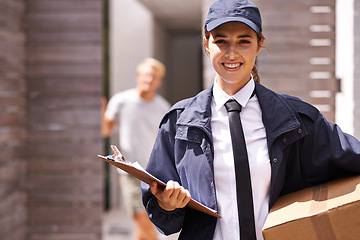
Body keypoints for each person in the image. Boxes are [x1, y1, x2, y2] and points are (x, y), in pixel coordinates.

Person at [141, 0, 360, 239]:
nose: (231, 53)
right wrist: (167, 204)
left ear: (259, 45)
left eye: (244, 41)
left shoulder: (297, 119)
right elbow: (164, 218)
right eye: (220, 41)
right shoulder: (179, 123)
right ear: (206, 45)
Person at [102, 58, 171, 240]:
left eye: (154, 77)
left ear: (159, 81)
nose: (149, 80)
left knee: (144, 223)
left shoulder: (163, 107)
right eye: (146, 75)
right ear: (138, 77)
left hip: (155, 173)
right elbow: (104, 130)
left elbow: (168, 141)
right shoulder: (121, 101)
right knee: (140, 218)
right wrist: (99, 112)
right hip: (130, 172)